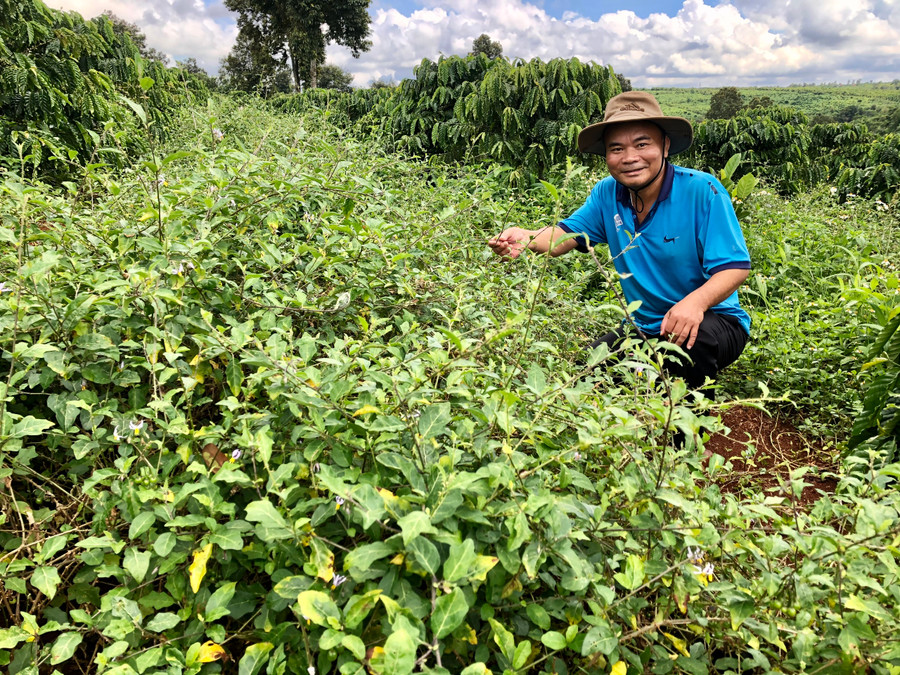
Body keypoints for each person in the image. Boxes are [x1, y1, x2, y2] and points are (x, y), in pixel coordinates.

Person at [488, 91, 751, 389]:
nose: (629, 158)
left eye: (642, 144)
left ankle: (687, 429)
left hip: (714, 319)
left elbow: (735, 267)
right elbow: (564, 236)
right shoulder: (607, 193)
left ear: (665, 146)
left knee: (691, 346)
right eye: (616, 148)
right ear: (606, 156)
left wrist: (695, 304)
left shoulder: (703, 191)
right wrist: (527, 237)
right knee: (588, 372)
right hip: (645, 327)